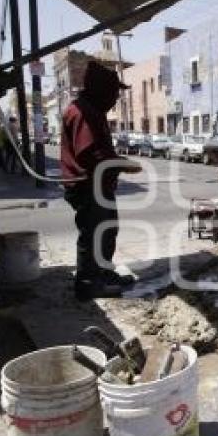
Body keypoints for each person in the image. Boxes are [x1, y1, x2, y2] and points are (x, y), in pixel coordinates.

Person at [61, 61, 141, 300]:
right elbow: (90, 154)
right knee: (93, 233)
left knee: (107, 231)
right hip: (87, 185)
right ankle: (87, 284)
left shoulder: (92, 109)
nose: (116, 98)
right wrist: (121, 164)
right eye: (114, 92)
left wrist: (117, 160)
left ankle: (103, 274)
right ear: (101, 90)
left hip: (99, 185)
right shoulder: (83, 112)